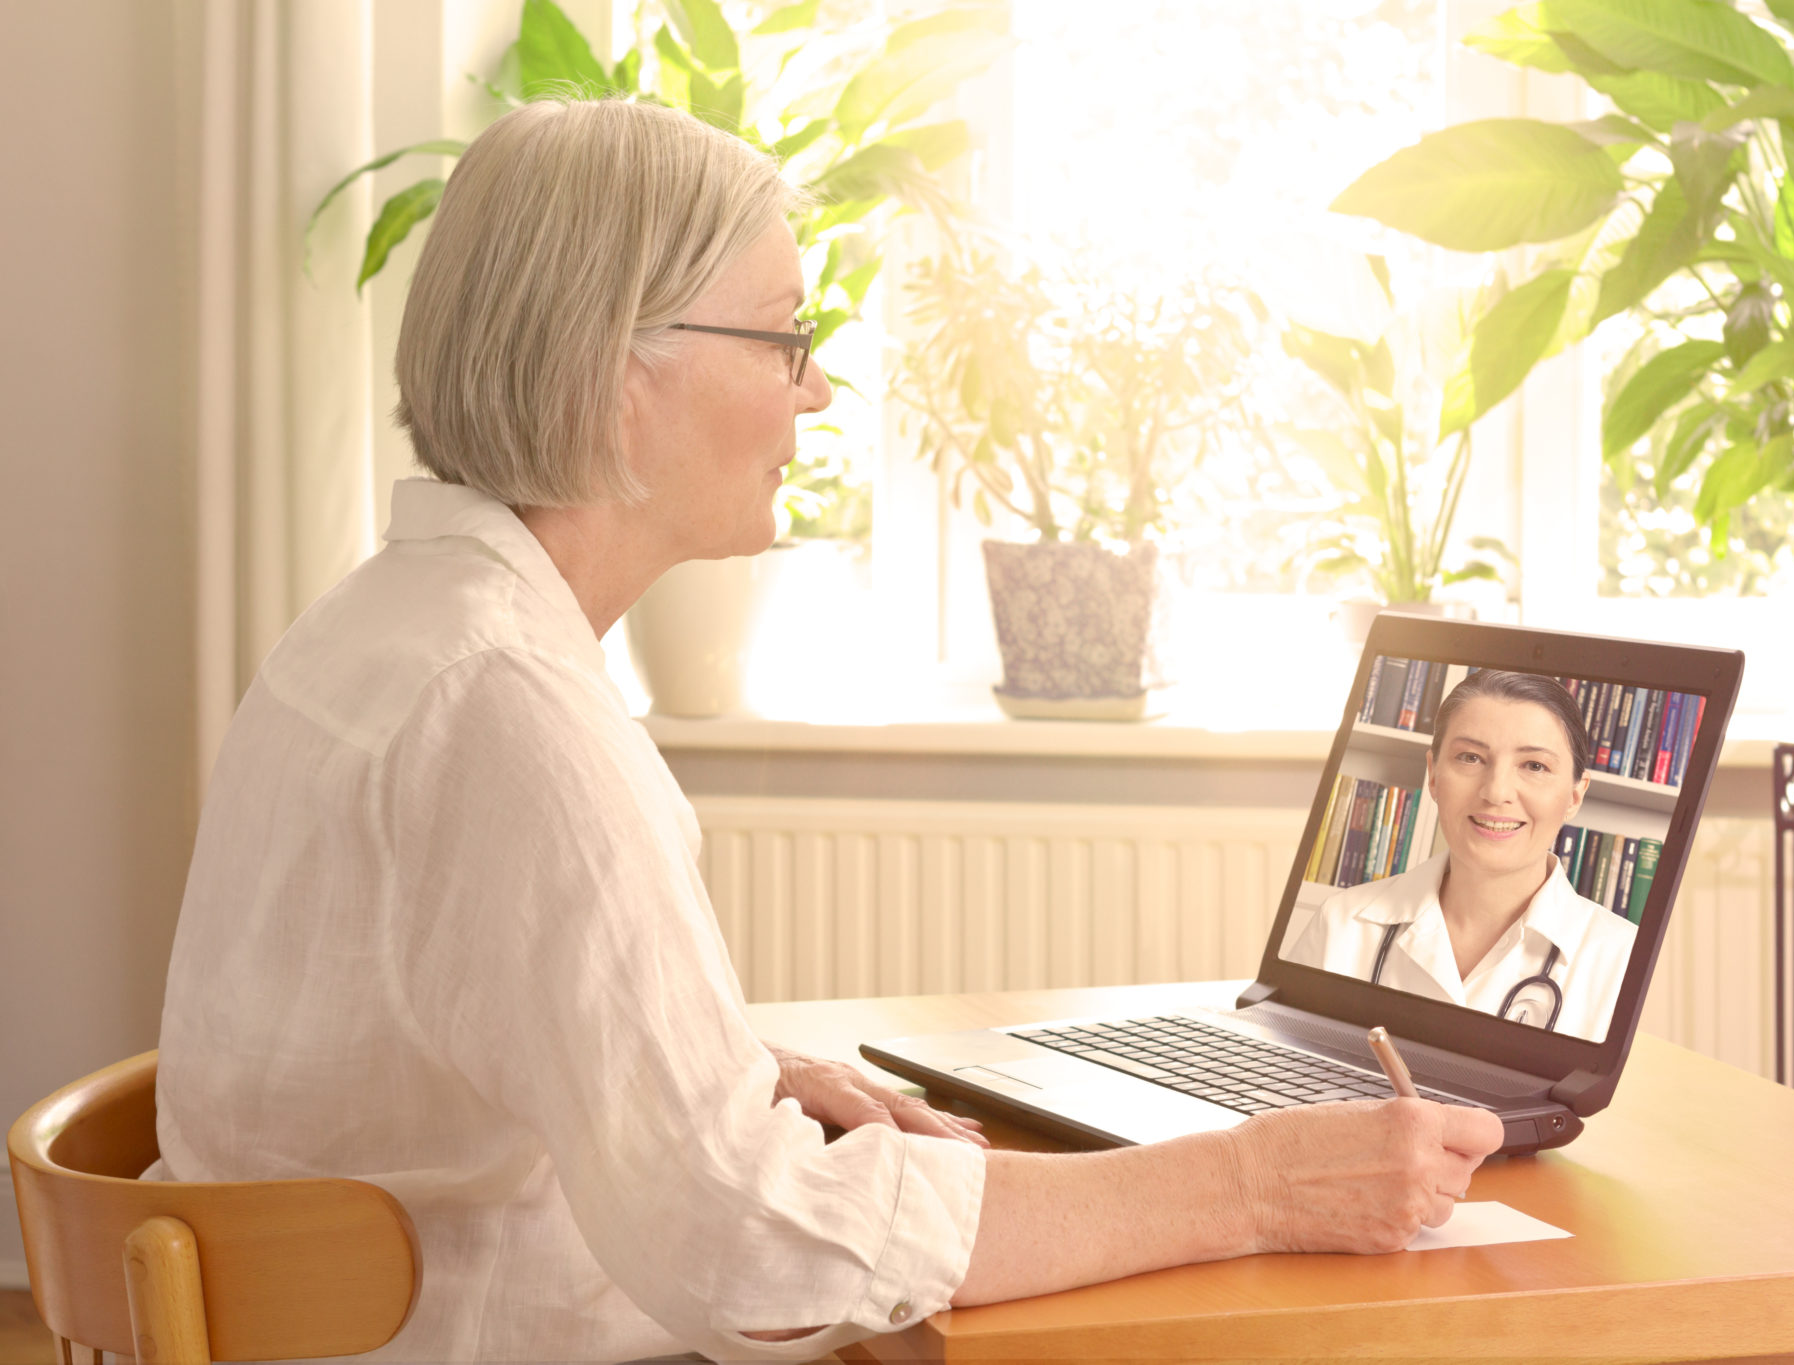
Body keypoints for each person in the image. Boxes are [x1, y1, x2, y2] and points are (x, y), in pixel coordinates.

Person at [151, 98, 1502, 1363]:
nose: (817, 393)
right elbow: (756, 1248)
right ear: (619, 371)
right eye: (785, 338)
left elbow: (452, 1044)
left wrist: (735, 1077)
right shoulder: (508, 709)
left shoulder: (381, 631)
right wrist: (1252, 1182)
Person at [1284, 669, 1638, 1043]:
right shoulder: (1342, 924)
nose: (1496, 791)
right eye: (1470, 757)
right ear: (1434, 776)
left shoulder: (1622, 958)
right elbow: (1281, 1083)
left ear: (1574, 796)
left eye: (1534, 766)